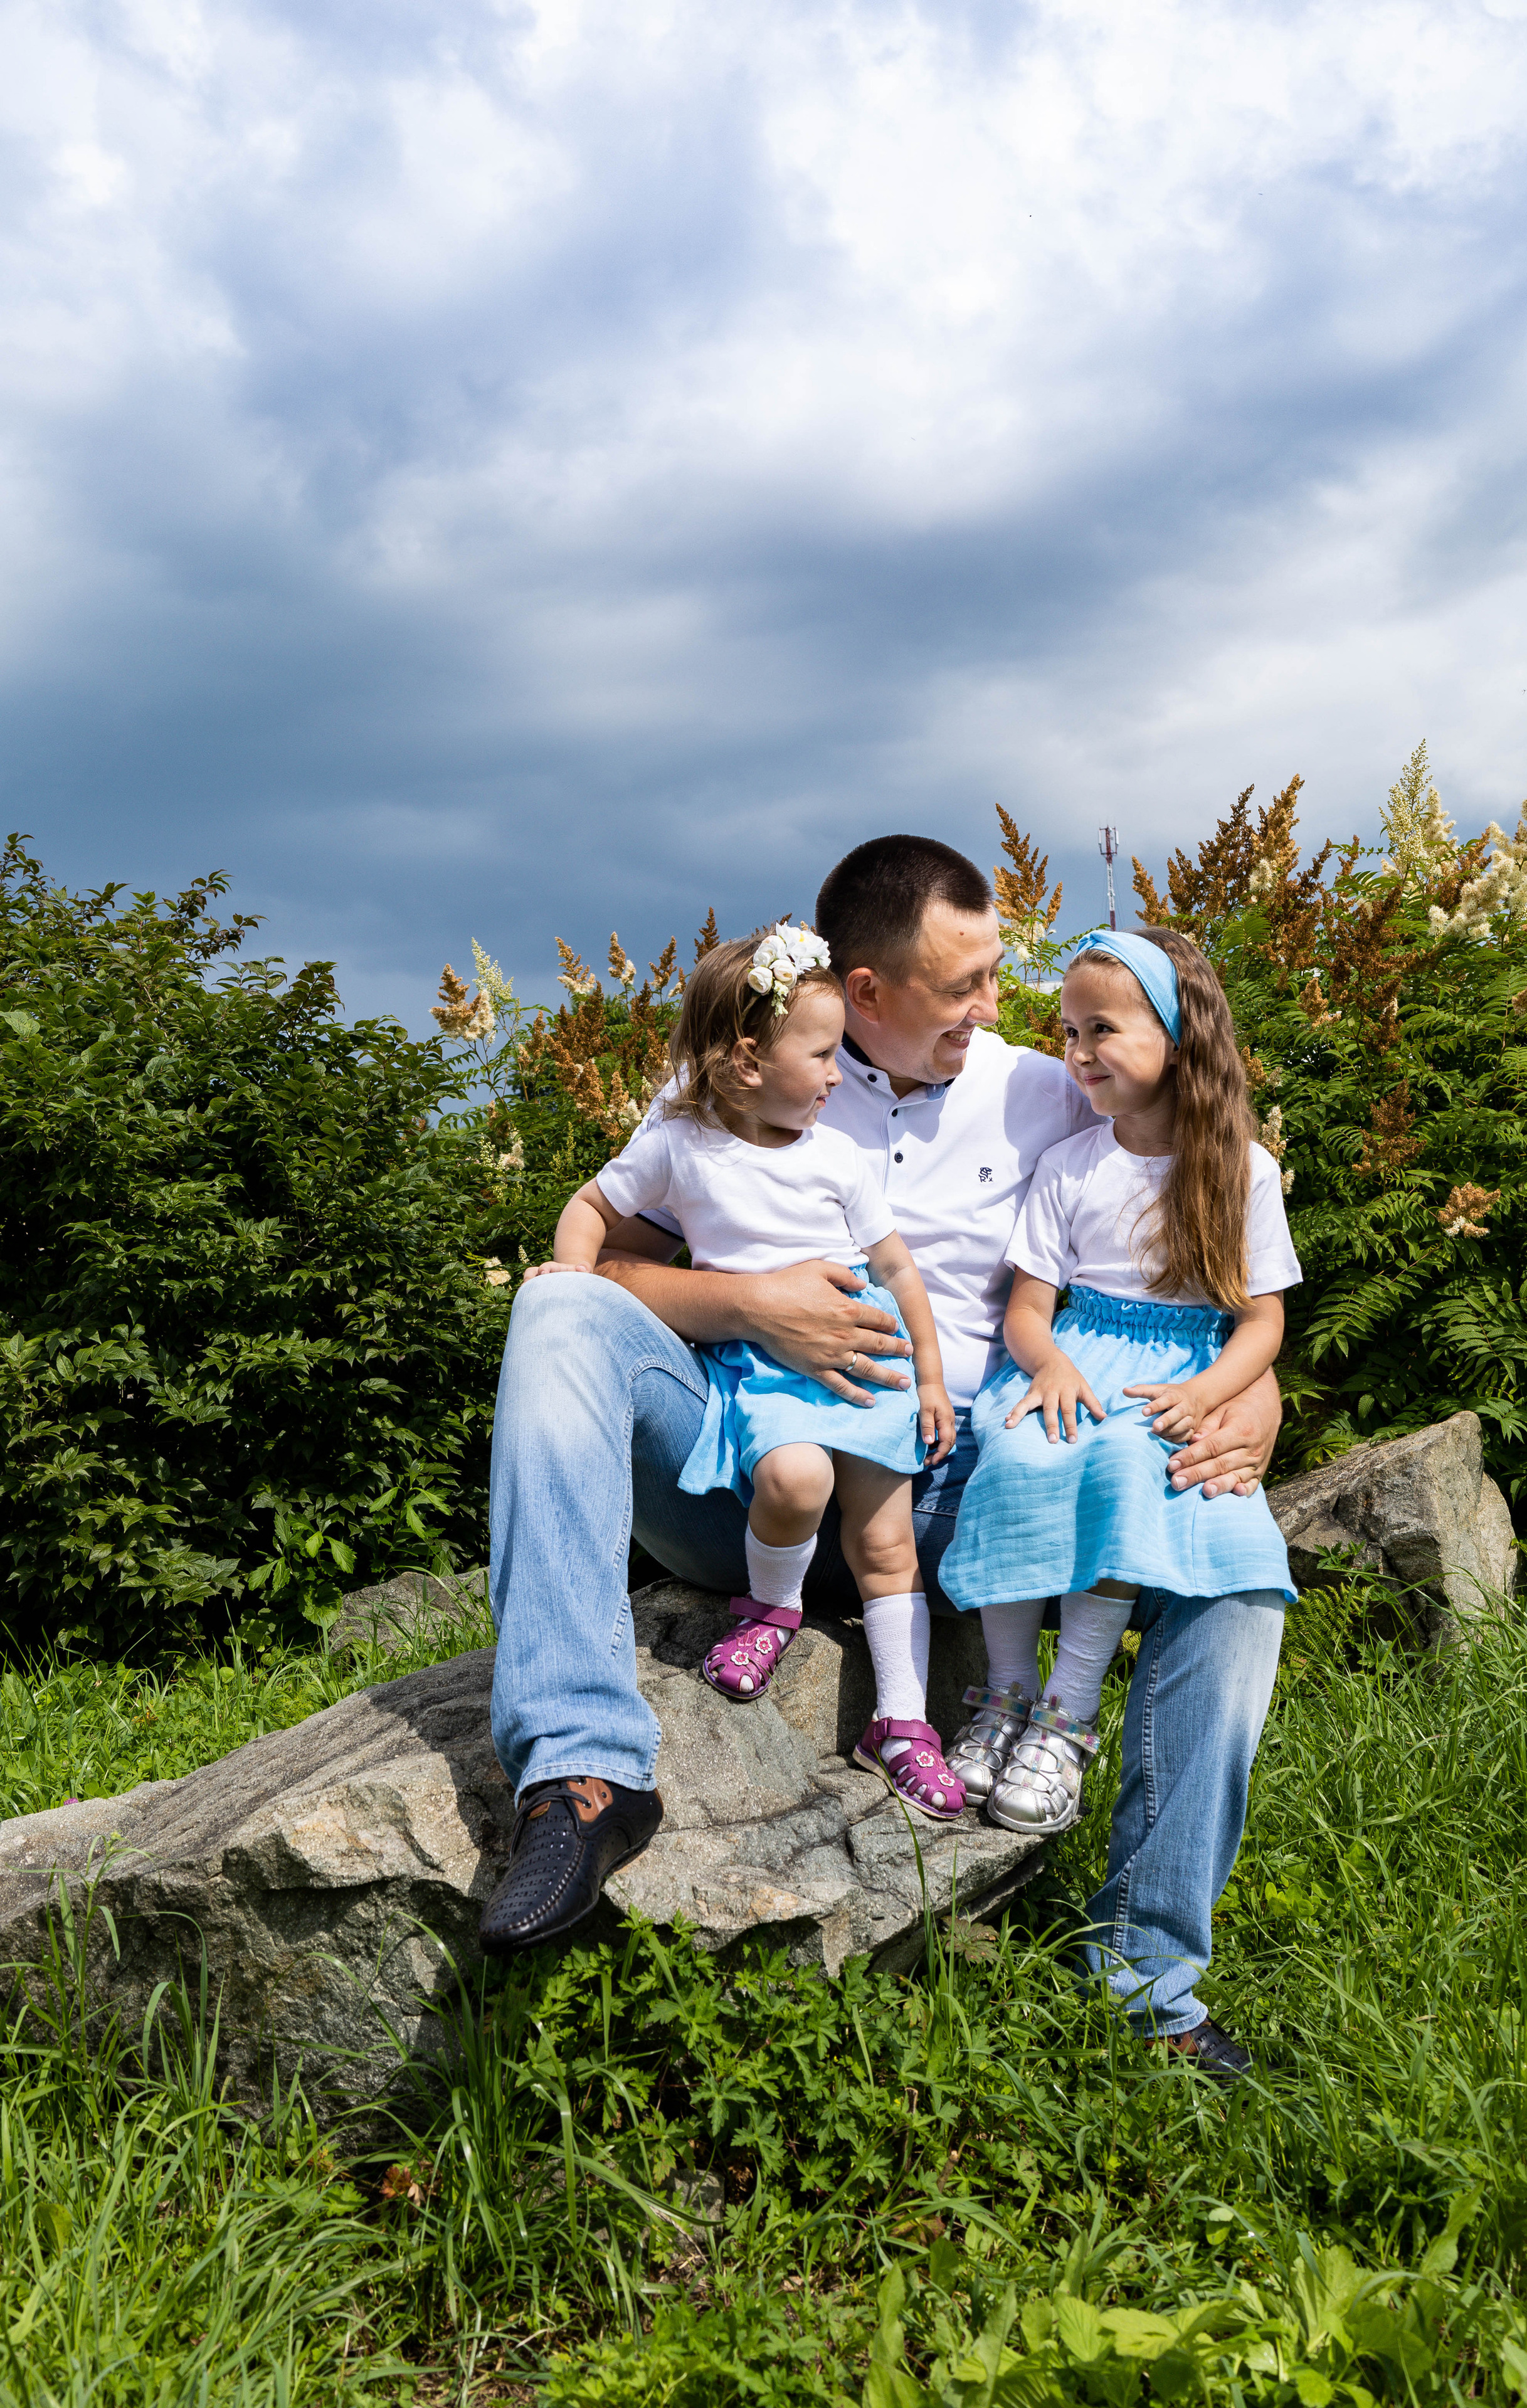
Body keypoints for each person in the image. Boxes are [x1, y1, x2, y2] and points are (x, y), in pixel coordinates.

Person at [478, 836, 1282, 2081]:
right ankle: (582, 1775)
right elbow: (607, 1269)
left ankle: (1146, 1980)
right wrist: (748, 1303)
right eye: (961, 987)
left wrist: (1257, 1388)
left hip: (972, 1485)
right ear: (862, 993)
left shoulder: (1042, 1087)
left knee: (1234, 1571)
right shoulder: (737, 1077)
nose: (993, 1010)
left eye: (997, 979)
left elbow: (1179, 1208)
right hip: (756, 1479)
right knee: (554, 1311)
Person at [940, 926, 1297, 2042]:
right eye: (1069, 1029)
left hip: (1176, 1378)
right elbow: (1032, 1309)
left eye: (1103, 1028)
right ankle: (1009, 1701)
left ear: (1180, 1036)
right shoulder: (1073, 1163)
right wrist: (1043, 1365)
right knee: (1027, 1451)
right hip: (1078, 1359)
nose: (1077, 1050)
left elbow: (1263, 1317)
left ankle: (1070, 1717)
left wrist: (1227, 1392)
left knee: (1140, 1480)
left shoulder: (1237, 1168)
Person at [532, 918, 965, 1821]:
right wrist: (572, 1278)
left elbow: (896, 1269)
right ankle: (771, 1611)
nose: (836, 1074)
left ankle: (902, 1721)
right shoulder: (682, 1146)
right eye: (818, 1053)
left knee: (887, 1543)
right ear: (743, 1063)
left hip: (870, 1353)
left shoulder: (838, 1159)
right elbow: (592, 1203)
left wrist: (929, 1373)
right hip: (763, 1364)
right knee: (794, 1479)